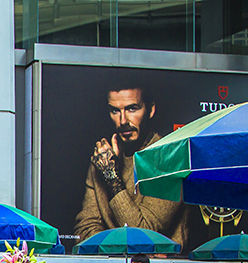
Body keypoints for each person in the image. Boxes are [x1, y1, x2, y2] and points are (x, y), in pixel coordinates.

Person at [73, 81, 190, 249]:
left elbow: (142, 236)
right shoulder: (103, 158)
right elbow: (83, 230)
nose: (123, 120)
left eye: (132, 109)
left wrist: (111, 176)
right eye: (115, 111)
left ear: (150, 110)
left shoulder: (169, 160)